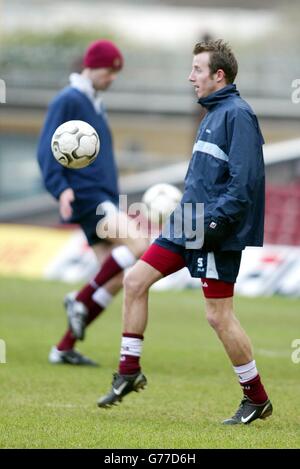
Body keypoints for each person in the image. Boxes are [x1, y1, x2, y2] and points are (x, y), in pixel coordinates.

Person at [97, 39, 273, 425]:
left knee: (218, 316)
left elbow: (245, 183)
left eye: (197, 69)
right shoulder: (211, 113)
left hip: (214, 230)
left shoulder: (237, 115)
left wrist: (214, 223)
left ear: (219, 75)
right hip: (186, 223)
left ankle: (256, 397)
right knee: (135, 280)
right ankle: (129, 371)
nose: (190, 76)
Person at [37, 39, 148, 366]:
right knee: (140, 245)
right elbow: (47, 148)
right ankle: (78, 300)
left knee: (113, 277)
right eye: (110, 71)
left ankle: (63, 348)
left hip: (101, 194)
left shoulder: (93, 101)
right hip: (88, 194)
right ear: (92, 66)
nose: (113, 77)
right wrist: (60, 188)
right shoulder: (69, 99)